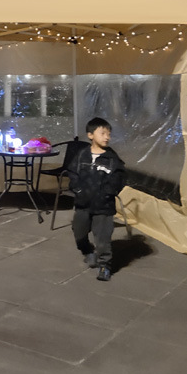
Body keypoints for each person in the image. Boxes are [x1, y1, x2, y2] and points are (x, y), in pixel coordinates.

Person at [67, 116, 126, 282]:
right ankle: (87, 252)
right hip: (83, 204)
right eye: (103, 133)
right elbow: (72, 173)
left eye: (109, 134)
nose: (107, 137)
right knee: (78, 232)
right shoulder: (82, 155)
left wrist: (109, 192)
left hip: (103, 206)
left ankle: (104, 266)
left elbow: (120, 178)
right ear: (90, 135)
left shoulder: (112, 159)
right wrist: (77, 189)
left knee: (103, 239)